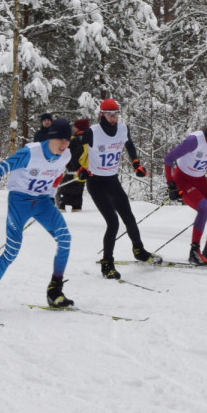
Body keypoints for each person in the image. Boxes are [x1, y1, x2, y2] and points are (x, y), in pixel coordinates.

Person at [0, 118, 75, 311]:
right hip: (19, 201)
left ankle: (55, 291)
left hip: (42, 202)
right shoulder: (31, 153)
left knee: (65, 239)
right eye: (60, 139)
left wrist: (51, 196)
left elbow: (58, 175)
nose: (64, 144)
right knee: (12, 251)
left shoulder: (65, 155)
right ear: (51, 137)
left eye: (67, 139)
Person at [70, 98, 159, 280]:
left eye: (116, 114)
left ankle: (139, 251)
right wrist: (79, 169)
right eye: (109, 115)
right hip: (96, 183)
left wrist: (136, 164)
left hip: (112, 180)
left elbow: (129, 144)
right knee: (113, 222)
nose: (113, 118)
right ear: (101, 115)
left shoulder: (123, 129)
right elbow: (72, 149)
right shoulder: (92, 132)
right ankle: (107, 264)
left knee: (129, 217)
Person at [163, 111, 207, 264]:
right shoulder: (194, 140)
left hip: (200, 180)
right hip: (183, 180)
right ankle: (194, 252)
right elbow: (168, 158)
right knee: (204, 208)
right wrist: (171, 186)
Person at [54, 118, 90, 211]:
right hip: (82, 174)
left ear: (79, 128)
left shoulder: (75, 140)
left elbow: (71, 156)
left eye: (75, 126)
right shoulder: (89, 140)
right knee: (77, 197)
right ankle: (77, 210)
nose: (73, 128)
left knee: (61, 193)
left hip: (71, 172)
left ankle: (61, 212)